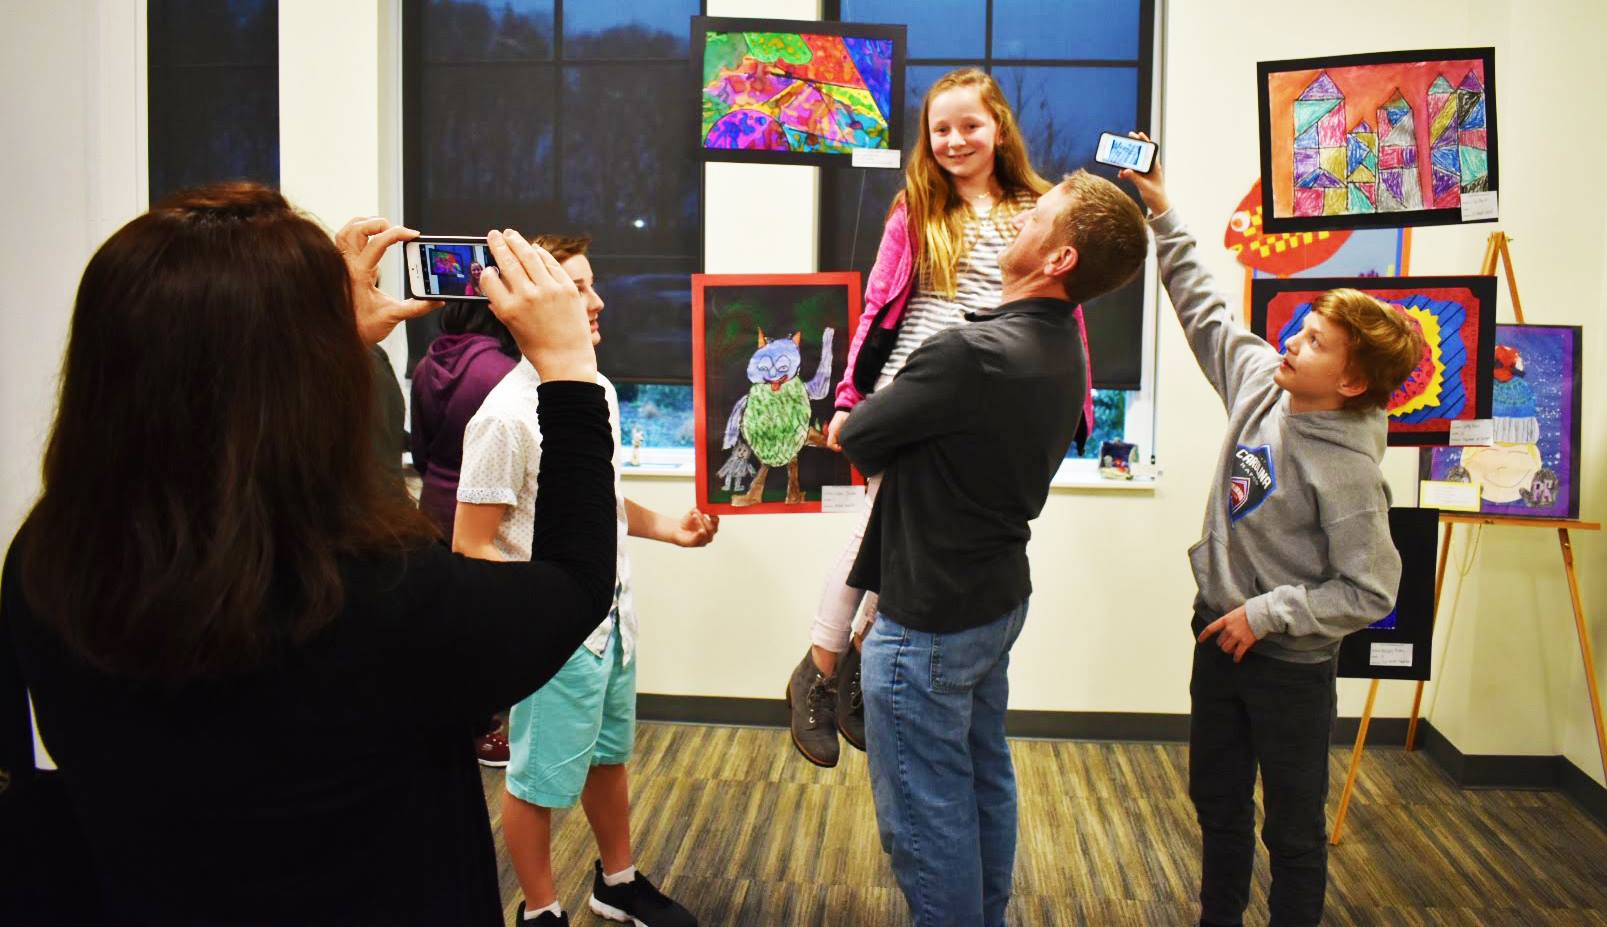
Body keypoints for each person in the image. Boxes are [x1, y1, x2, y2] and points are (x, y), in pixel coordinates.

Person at [1, 182, 617, 926]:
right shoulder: (371, 594)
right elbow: (575, 584)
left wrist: (329, 345)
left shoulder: (48, 560)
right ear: (297, 373)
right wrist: (568, 371)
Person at [1121, 135, 1424, 927]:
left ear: (1350, 380)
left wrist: (1265, 614)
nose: (1292, 342)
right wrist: (1162, 212)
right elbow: (1205, 309)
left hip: (1289, 668)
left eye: (1315, 342)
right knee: (1217, 806)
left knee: (1291, 829)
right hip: (1214, 638)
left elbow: (1370, 589)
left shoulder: (1350, 471)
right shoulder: (1262, 383)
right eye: (1301, 329)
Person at [839, 171, 1150, 926]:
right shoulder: (1061, 350)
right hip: (992, 601)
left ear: (1059, 259)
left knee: (924, 815)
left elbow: (859, 436)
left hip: (928, 622)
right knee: (981, 779)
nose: (1015, 224)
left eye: (1036, 219)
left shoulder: (967, 355)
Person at [786, 66, 1097, 768]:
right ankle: (819, 669)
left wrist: (1074, 407)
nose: (955, 140)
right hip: (916, 386)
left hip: (989, 399)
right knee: (876, 530)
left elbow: (1065, 312)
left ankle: (858, 661)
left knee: (915, 546)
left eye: (970, 125)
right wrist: (849, 397)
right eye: (940, 129)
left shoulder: (1038, 210)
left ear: (999, 129)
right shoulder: (915, 207)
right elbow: (878, 305)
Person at [453, 234, 717, 927]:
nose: (596, 301)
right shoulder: (504, 417)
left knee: (607, 757)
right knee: (535, 781)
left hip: (612, 620)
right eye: (576, 289)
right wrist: (545, 602)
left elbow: (594, 502)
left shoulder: (593, 390)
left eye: (591, 284)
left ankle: (617, 882)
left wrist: (670, 528)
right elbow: (469, 546)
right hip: (554, 636)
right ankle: (540, 910)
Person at [410, 300, 523, 765]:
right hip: (482, 512)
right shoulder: (503, 373)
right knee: (482, 629)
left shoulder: (426, 363)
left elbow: (420, 447)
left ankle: (454, 728)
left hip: (432, 506)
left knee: (445, 627)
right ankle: (482, 730)